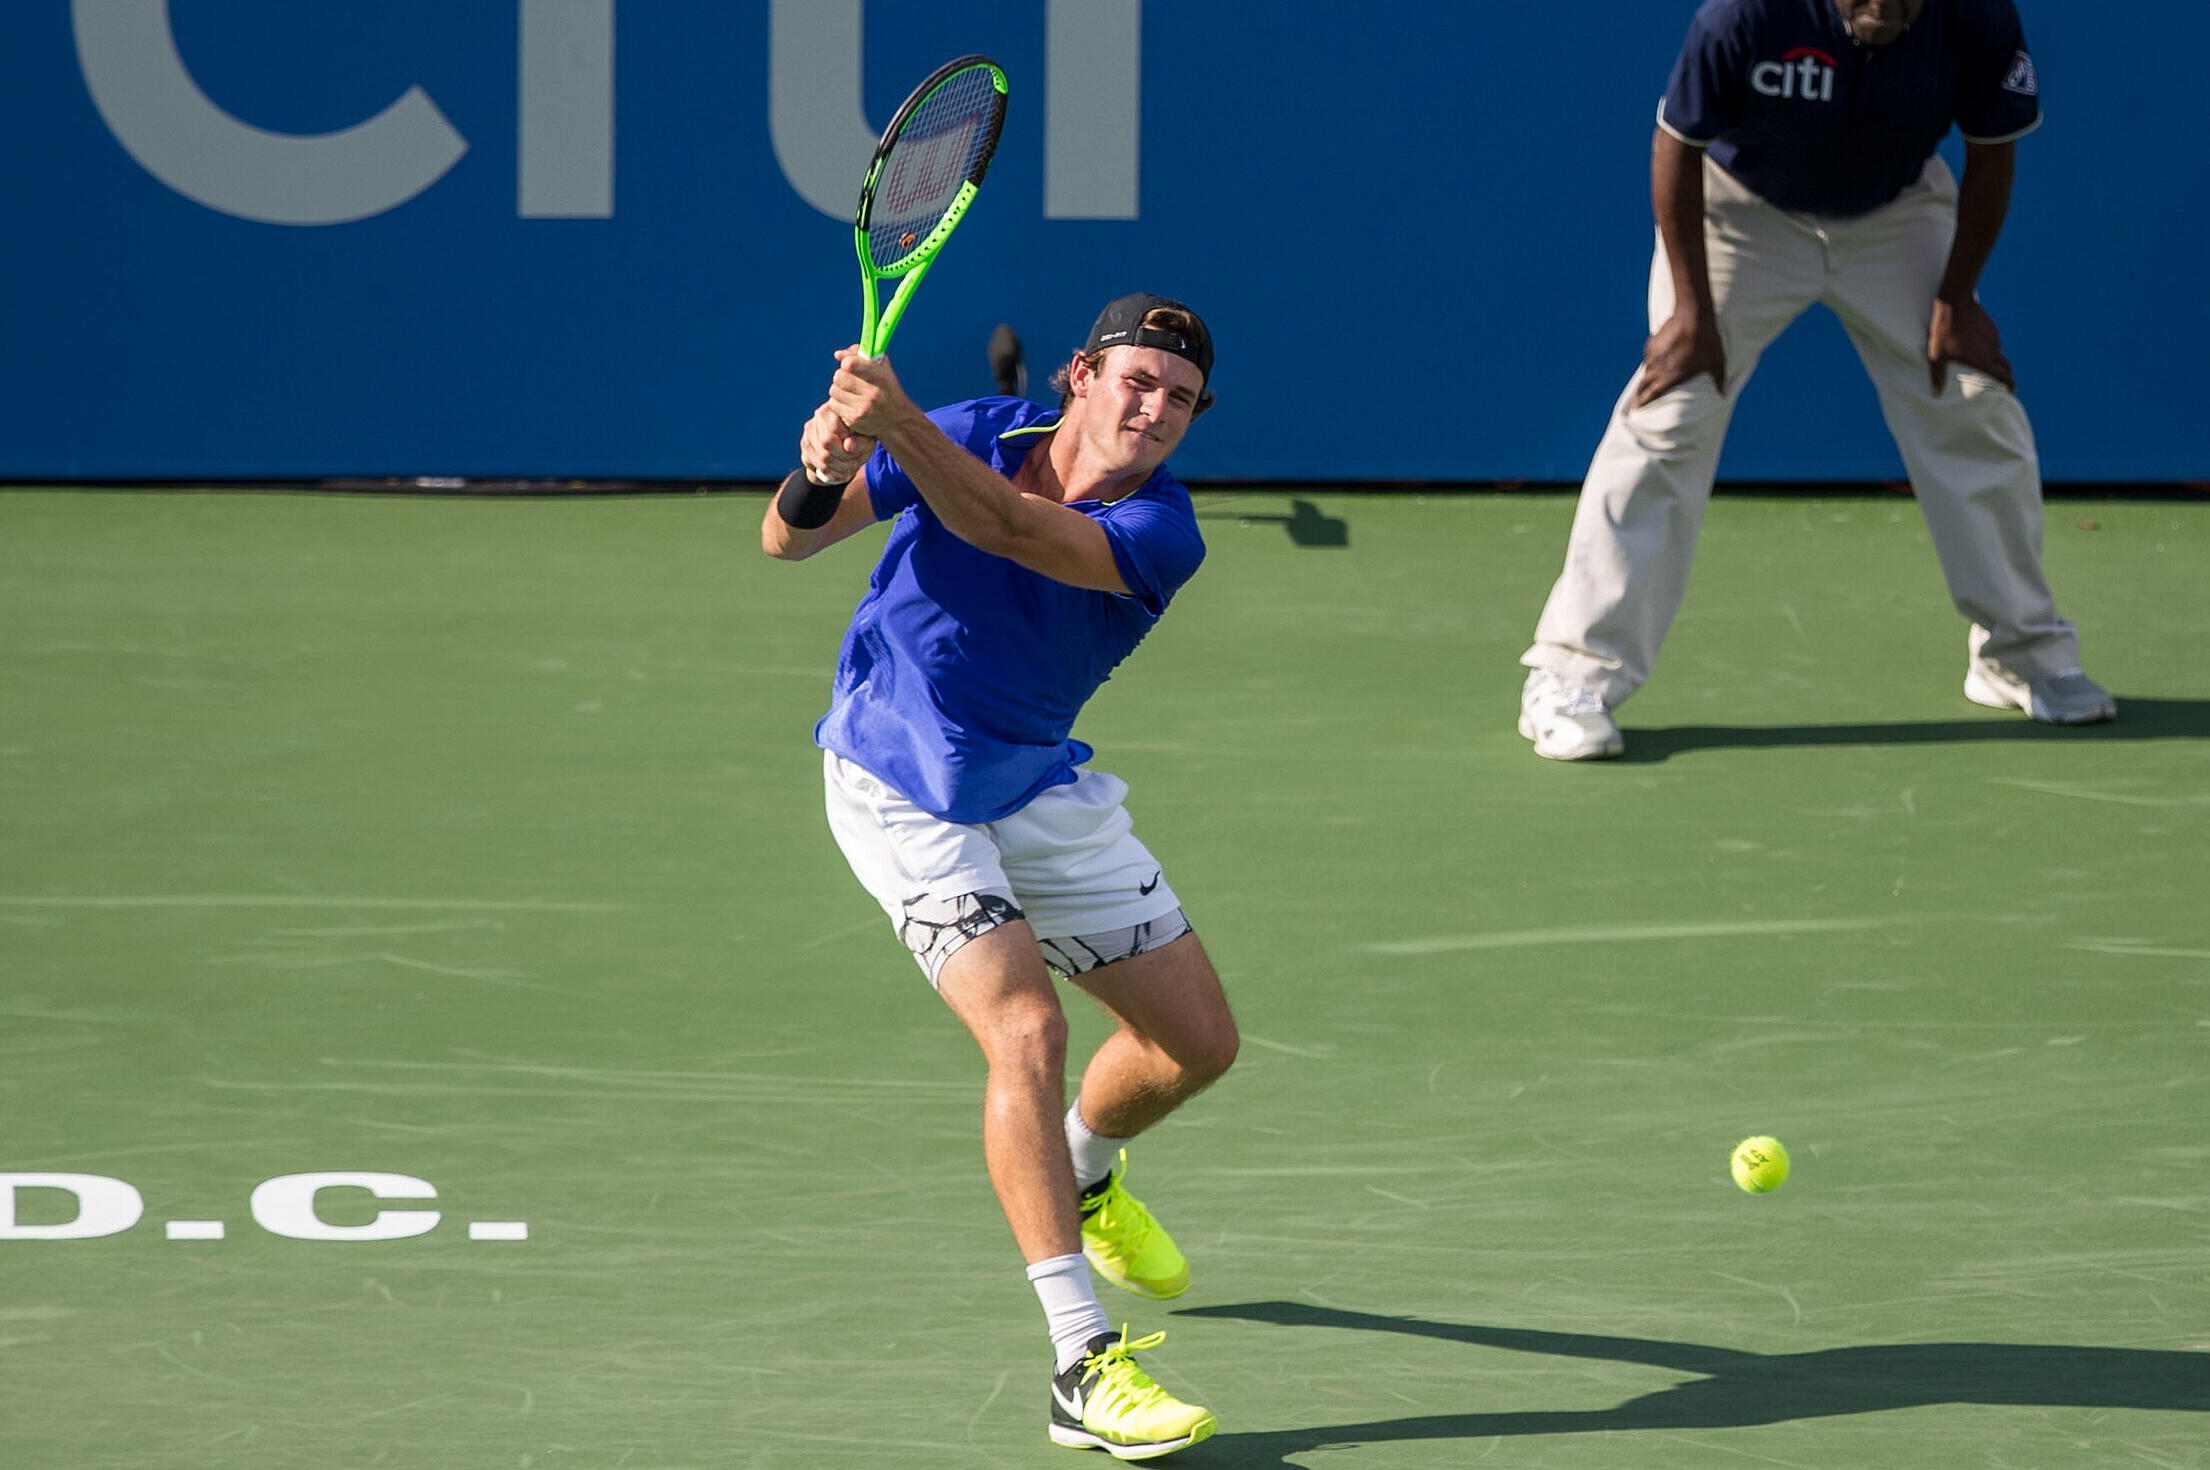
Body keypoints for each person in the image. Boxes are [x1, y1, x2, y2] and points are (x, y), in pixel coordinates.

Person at [761, 293, 1237, 1459]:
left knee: (1195, 1046)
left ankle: (1079, 1171)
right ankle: (1081, 1363)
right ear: (1078, 375)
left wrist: (899, 425)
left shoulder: (1163, 530)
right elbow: (790, 535)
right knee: (1023, 1030)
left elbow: (1016, 537)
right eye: (1135, 380)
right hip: (895, 782)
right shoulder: (974, 427)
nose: (1154, 410)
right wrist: (822, 462)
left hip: (1029, 782)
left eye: (1178, 399)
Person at [1519, 0, 2115, 762]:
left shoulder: (1977, 17)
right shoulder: (1741, 16)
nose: (1885, 9)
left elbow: (1992, 153)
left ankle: (2022, 656)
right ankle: (1572, 677)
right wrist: (1692, 313)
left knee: (1971, 398)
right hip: (1741, 216)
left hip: (1896, 212)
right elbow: (1676, 146)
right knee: (1672, 408)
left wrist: (1956, 301)